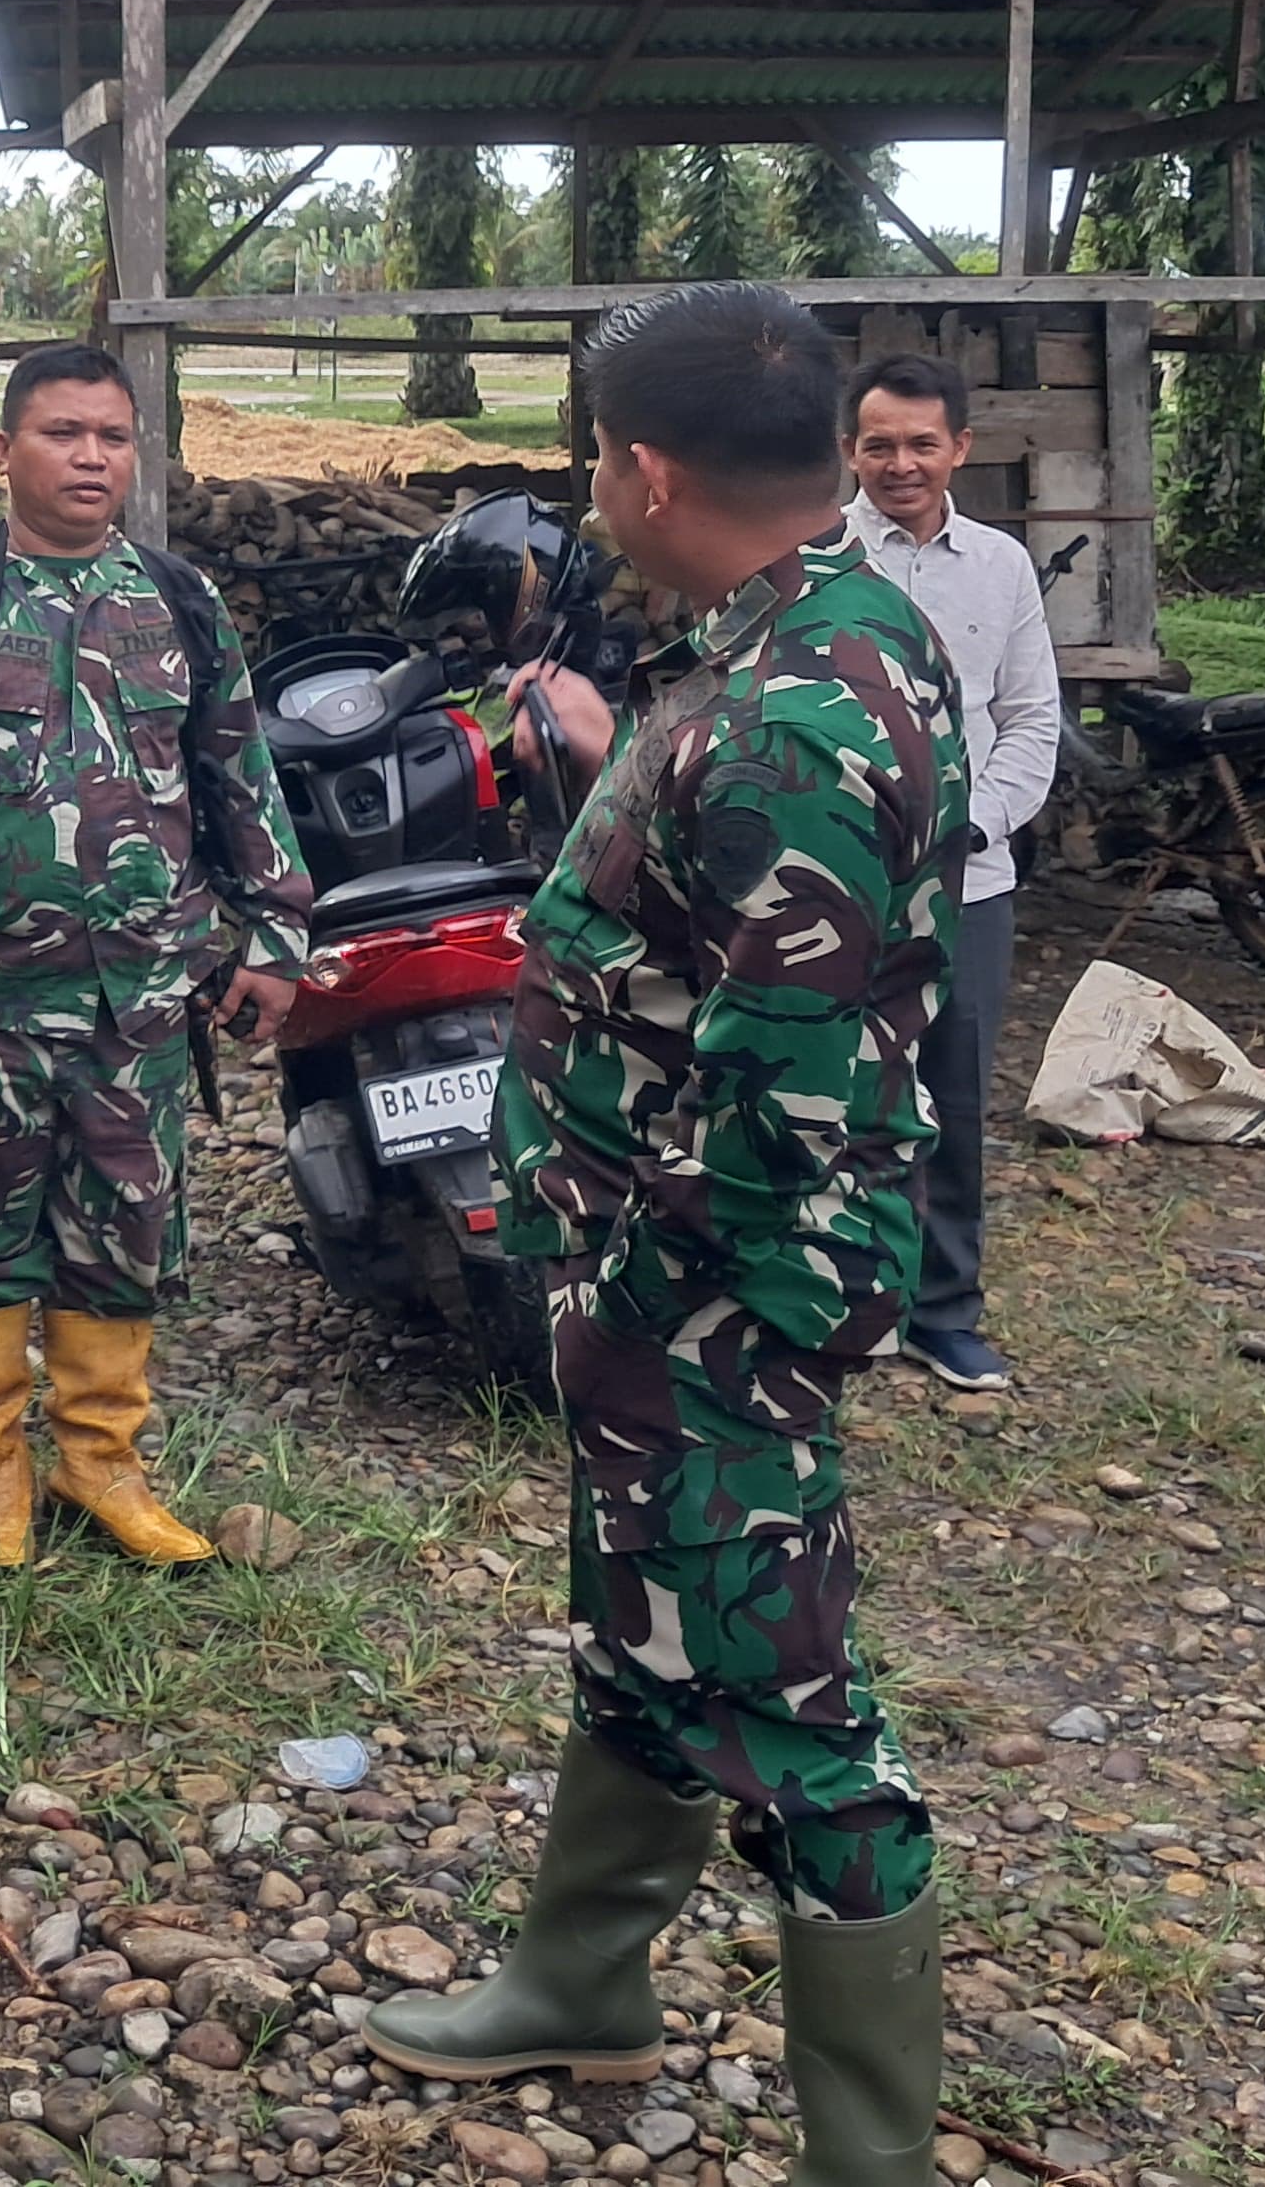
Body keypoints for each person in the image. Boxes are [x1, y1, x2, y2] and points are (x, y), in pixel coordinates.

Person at [361, 285, 963, 2187]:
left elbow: (792, 1104)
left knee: (794, 1715)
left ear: (641, 466)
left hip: (716, 1298)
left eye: (589, 463)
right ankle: (580, 1984)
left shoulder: (794, 707)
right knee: (640, 1636)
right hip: (656, 1292)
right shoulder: (795, 640)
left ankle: (870, 2154)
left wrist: (639, 1296)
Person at [0, 344, 315, 1568]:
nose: (90, 457)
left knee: (125, 1224)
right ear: (6, 454)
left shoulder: (175, 597)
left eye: (110, 436)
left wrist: (277, 933)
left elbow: (242, 773)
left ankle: (102, 1461)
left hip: (140, 991)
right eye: (61, 434)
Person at [841, 351, 1065, 1396]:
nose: (900, 464)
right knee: (826, 1090)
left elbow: (1030, 720)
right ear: (851, 450)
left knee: (952, 1096)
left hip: (967, 884)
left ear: (959, 450)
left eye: (921, 444)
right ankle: (836, 1300)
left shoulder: (1001, 567)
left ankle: (943, 1310)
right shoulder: (813, 557)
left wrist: (970, 828)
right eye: (879, 443)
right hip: (829, 884)